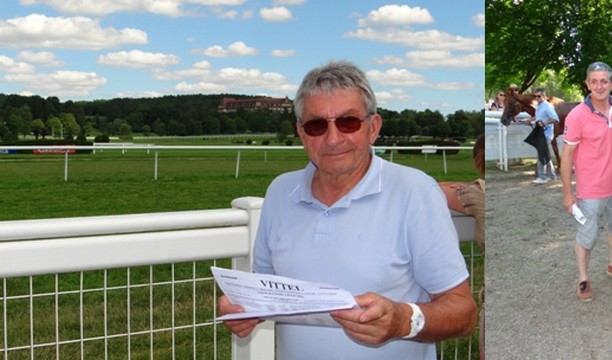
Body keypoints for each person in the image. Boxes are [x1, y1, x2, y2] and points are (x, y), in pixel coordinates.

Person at [217, 60, 477, 359]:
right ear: (301, 133)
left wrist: (403, 321)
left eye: (348, 122)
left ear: (373, 128)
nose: (333, 138)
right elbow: (266, 292)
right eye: (317, 125)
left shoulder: (415, 192)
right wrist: (242, 307)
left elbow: (464, 312)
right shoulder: (280, 191)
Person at [560, 61, 612, 302]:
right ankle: (583, 279)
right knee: (587, 235)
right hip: (591, 190)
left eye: (604, 81)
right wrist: (568, 194)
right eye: (594, 81)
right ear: (587, 84)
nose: (599, 86)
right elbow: (567, 156)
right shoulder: (577, 115)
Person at [524, 88, 559, 184]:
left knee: (541, 154)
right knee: (545, 154)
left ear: (544, 96)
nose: (536, 98)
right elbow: (538, 116)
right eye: (535, 96)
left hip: (546, 134)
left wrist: (544, 123)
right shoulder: (539, 106)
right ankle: (551, 176)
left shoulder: (547, 106)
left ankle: (542, 177)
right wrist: (530, 120)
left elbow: (555, 118)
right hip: (541, 134)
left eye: (538, 96)